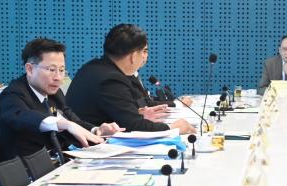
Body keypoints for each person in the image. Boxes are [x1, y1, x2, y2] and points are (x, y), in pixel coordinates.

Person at [0, 38, 121, 162]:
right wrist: (64, 124)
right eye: (52, 70)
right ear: (30, 69)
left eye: (61, 70)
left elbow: (73, 121)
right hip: (27, 169)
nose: (58, 77)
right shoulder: (12, 94)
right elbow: (23, 116)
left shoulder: (54, 94)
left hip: (57, 163)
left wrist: (96, 130)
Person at [66, 24, 194, 133]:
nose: (145, 57)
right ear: (133, 56)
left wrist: (136, 113)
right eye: (143, 51)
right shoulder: (111, 80)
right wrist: (173, 128)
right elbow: (133, 125)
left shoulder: (94, 67)